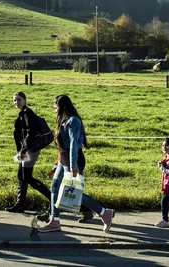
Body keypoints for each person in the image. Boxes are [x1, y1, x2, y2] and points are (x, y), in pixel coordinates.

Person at [38, 94, 114, 233]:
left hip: (74, 160)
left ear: (61, 106)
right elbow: (62, 145)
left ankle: (104, 213)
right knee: (55, 186)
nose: (54, 109)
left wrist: (73, 165)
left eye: (55, 106)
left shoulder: (73, 121)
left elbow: (74, 144)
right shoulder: (63, 120)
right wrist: (57, 165)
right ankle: (54, 220)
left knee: (73, 192)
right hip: (64, 159)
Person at [5, 91, 52, 213]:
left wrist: (24, 150)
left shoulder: (27, 113)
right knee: (21, 176)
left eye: (19, 99)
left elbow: (29, 133)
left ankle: (53, 198)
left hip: (30, 149)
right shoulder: (22, 114)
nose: (16, 102)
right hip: (25, 149)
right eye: (15, 100)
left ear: (25, 100)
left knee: (28, 177)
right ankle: (20, 204)